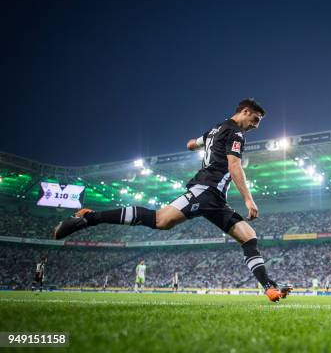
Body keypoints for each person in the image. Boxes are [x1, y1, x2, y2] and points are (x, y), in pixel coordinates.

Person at [53, 99, 290, 302]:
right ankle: (89, 217)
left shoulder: (216, 129)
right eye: (256, 120)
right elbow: (234, 164)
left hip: (216, 198)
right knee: (160, 220)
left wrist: (199, 144)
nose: (256, 126)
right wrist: (248, 199)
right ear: (245, 111)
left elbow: (191, 144)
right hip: (206, 190)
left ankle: (269, 287)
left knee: (249, 237)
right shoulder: (236, 132)